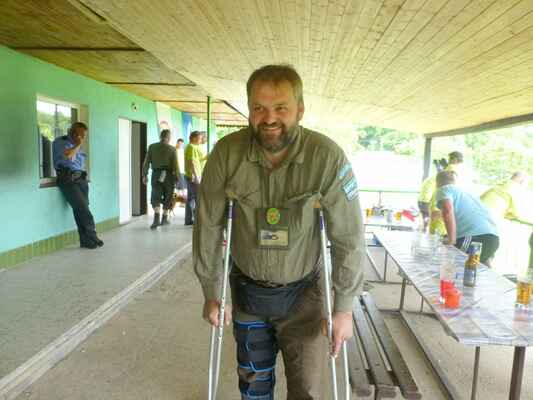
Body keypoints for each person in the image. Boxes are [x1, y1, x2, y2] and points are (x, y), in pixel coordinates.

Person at [193, 64, 365, 399]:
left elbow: (349, 236)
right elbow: (208, 226)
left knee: (306, 390)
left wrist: (344, 307)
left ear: (300, 109)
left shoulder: (327, 157)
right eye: (259, 108)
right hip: (248, 294)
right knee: (253, 388)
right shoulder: (226, 154)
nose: (269, 118)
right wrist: (213, 292)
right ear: (249, 109)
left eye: (281, 108)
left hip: (305, 296)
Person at [53, 122, 103, 249]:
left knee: (80, 210)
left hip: (81, 180)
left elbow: (80, 164)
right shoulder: (61, 142)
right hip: (67, 179)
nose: (82, 138)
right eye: (81, 135)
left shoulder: (78, 146)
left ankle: (85, 241)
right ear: (73, 132)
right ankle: (92, 235)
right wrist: (78, 144)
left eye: (84, 135)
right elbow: (68, 156)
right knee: (83, 209)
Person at [435, 170, 499, 266]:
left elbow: (447, 211)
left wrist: (452, 240)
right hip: (492, 238)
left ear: (437, 183)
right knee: (476, 270)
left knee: (455, 267)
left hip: (474, 238)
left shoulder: (443, 189)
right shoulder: (465, 192)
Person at [142, 129, 177, 229]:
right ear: (169, 137)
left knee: (155, 195)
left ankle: (156, 219)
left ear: (160, 136)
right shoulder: (172, 149)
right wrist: (177, 177)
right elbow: (175, 165)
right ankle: (164, 219)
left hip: (156, 174)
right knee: (168, 196)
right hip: (168, 175)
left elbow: (146, 162)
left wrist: (144, 175)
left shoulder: (152, 147)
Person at [183, 131, 204, 225]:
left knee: (191, 198)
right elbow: (192, 162)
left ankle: (188, 220)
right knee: (198, 198)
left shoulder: (192, 147)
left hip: (191, 176)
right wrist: (196, 176)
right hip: (193, 177)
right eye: (200, 138)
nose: (201, 140)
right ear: (194, 138)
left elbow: (198, 160)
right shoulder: (191, 147)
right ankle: (198, 220)